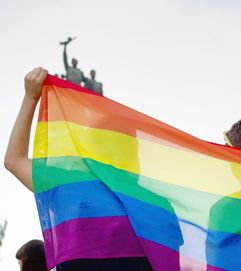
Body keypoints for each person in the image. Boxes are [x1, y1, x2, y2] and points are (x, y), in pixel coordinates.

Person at [4, 68, 152, 270]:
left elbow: (14, 160)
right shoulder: (155, 205)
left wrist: (30, 97)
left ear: (93, 151)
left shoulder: (70, 191)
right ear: (135, 155)